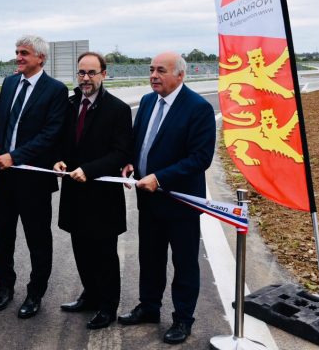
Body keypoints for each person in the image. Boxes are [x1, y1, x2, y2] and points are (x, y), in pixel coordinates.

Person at [117, 51, 216, 345]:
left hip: (181, 202)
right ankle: (149, 307)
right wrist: (130, 162)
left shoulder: (198, 108)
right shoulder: (148, 102)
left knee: (184, 264)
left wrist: (159, 178)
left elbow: (200, 158)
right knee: (150, 259)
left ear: (180, 75)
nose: (153, 76)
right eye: (151, 70)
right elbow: (139, 142)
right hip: (148, 201)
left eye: (161, 70)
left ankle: (183, 319)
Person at [0, 35, 68, 319]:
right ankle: (6, 287)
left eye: (24, 53)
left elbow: (50, 135)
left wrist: (16, 156)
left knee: (37, 240)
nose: (18, 57)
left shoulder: (55, 90)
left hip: (33, 181)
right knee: (2, 236)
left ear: (40, 58)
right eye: (16, 52)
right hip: (4, 177)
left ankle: (35, 293)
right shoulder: (12, 83)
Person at [54, 52, 132, 330]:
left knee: (104, 255)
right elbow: (63, 141)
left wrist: (90, 169)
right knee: (81, 250)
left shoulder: (118, 110)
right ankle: (90, 295)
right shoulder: (70, 104)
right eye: (81, 73)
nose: (85, 79)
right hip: (74, 193)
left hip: (102, 197)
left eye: (91, 73)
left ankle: (108, 307)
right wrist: (59, 158)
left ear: (103, 74)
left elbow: (121, 153)